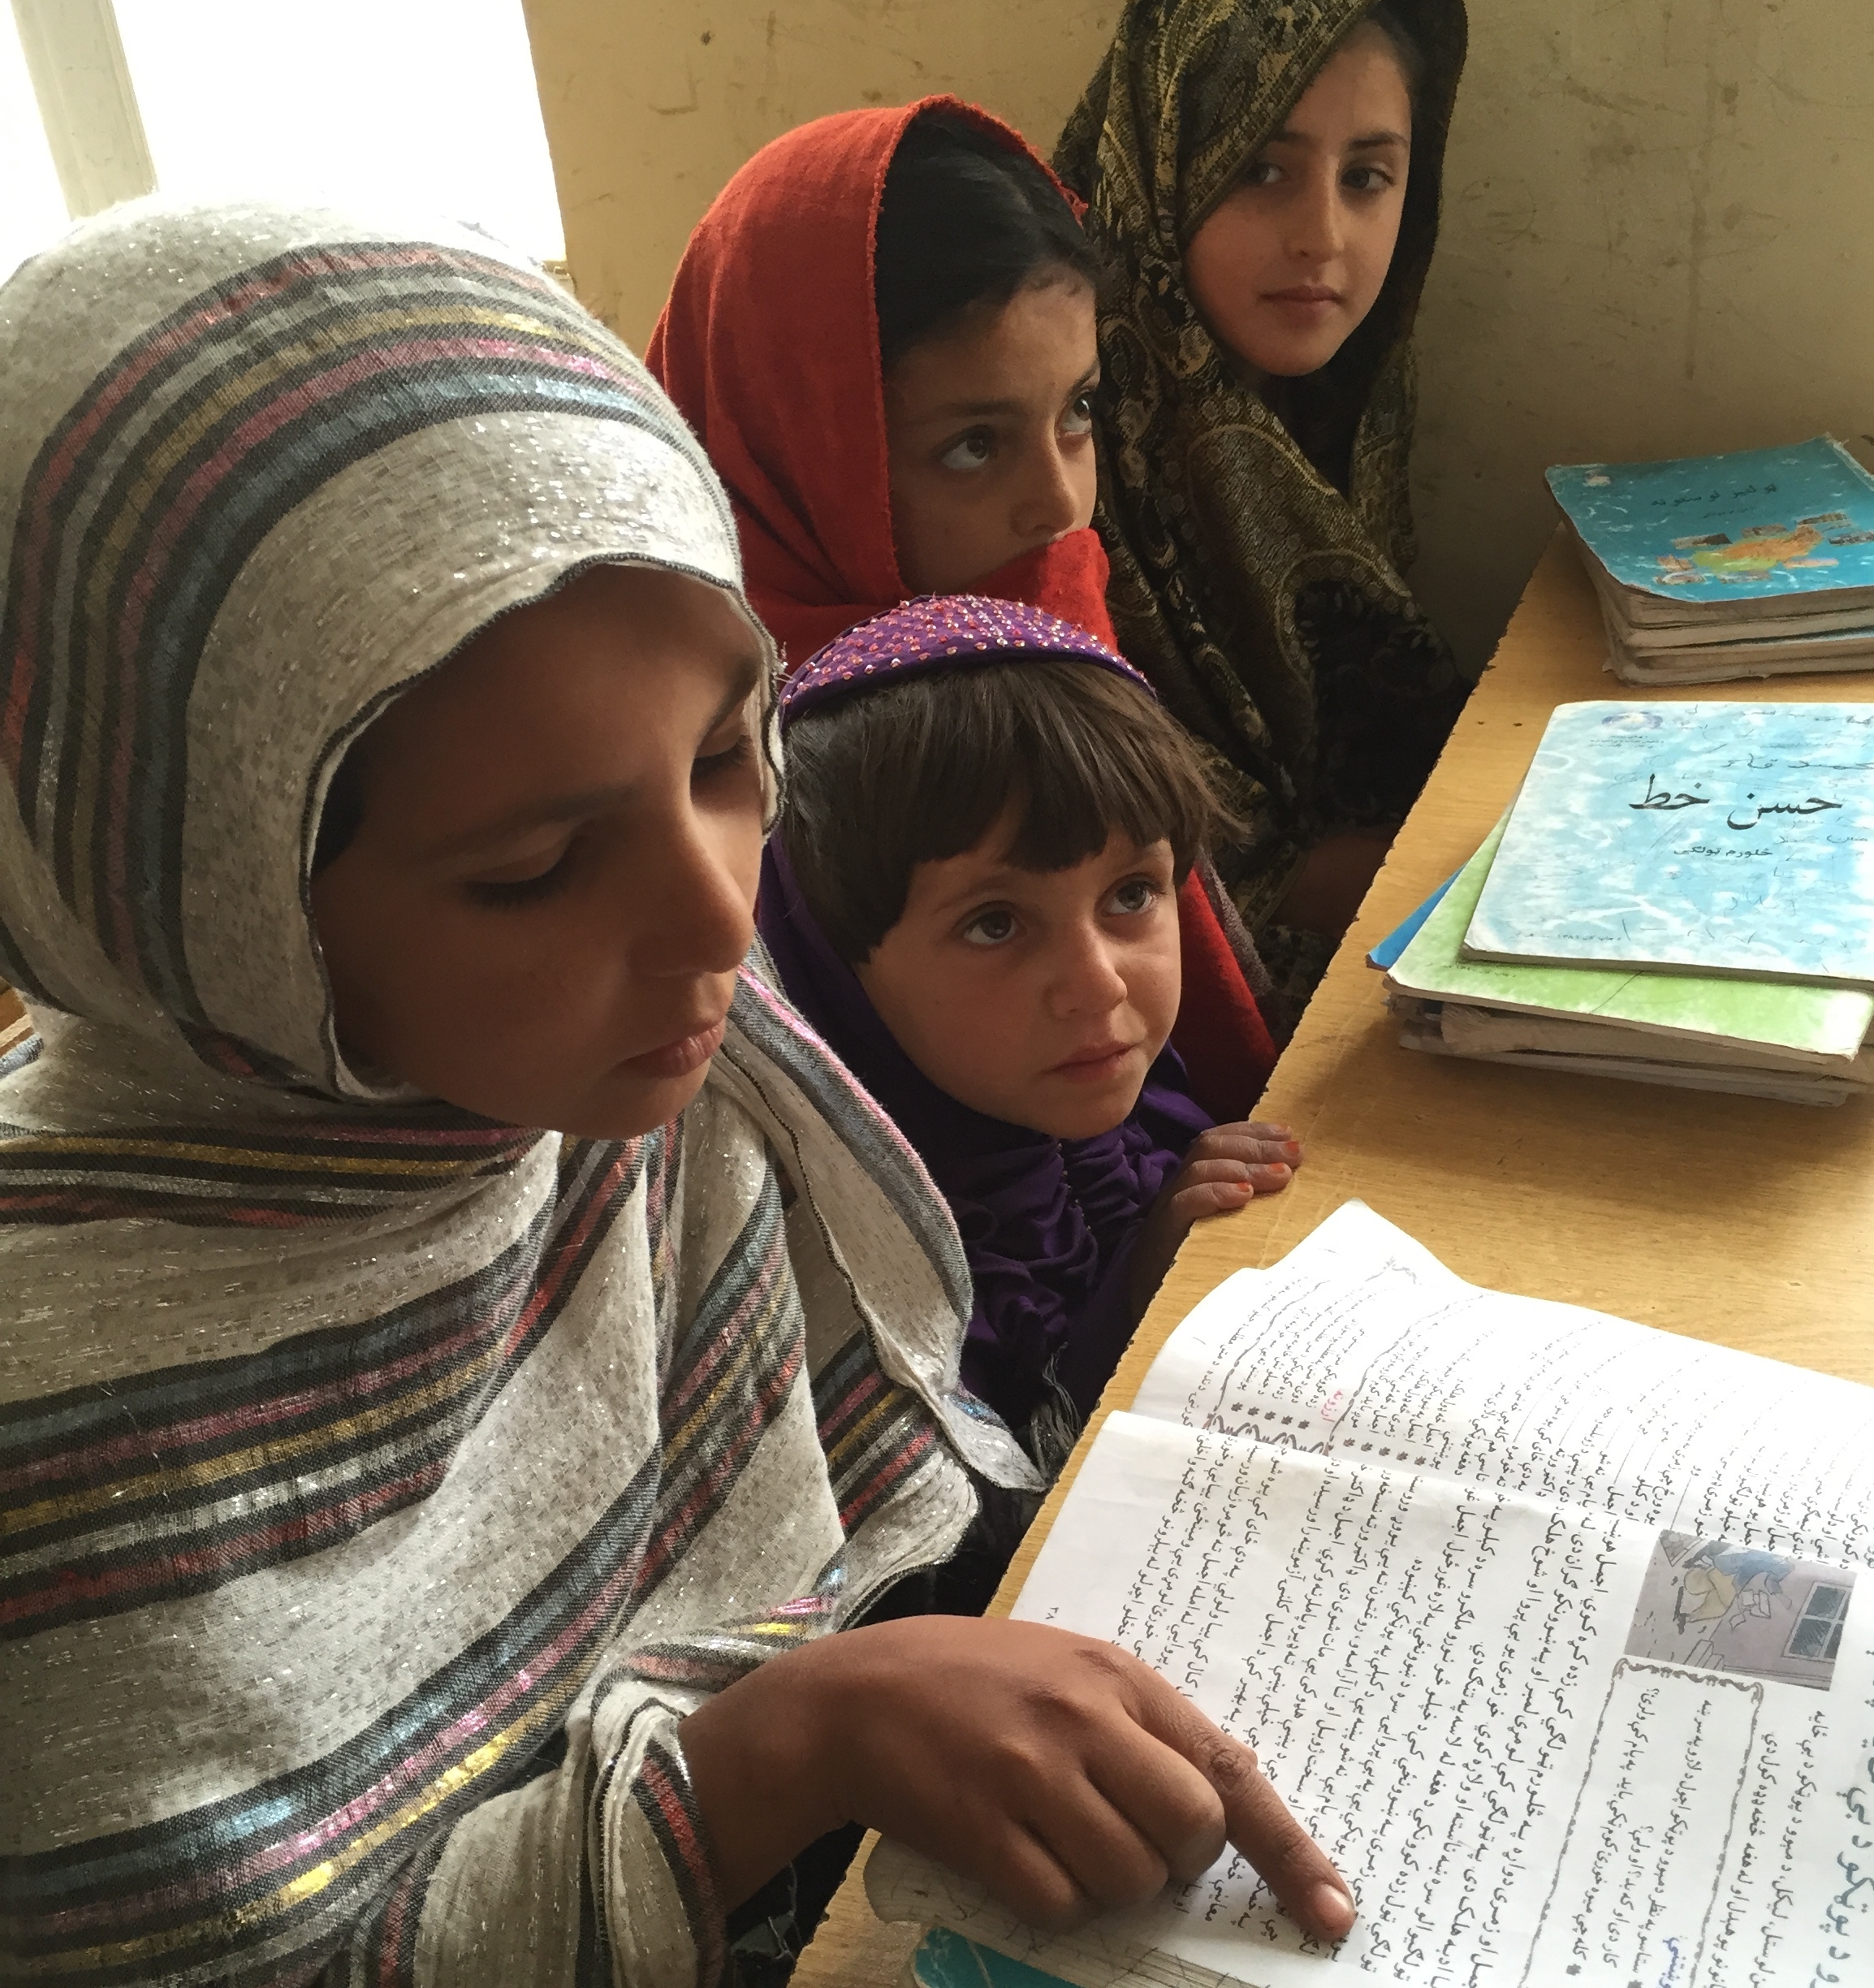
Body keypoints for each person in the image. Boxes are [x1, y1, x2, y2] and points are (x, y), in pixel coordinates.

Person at [0, 201, 1358, 1983]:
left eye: (730, 752)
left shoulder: (594, 1087)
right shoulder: (62, 1416)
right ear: (205, 901)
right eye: (535, 868)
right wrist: (778, 1755)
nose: (726, 919)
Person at [653, 97, 1279, 1122]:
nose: (1062, 502)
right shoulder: (698, 747)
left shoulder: (1029, 586)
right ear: (802, 442)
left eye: (1076, 411)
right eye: (974, 444)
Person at [761, 595, 1304, 1472]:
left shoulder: (1132, 1097)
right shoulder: (852, 1285)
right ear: (836, 969)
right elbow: (997, 1516)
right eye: (995, 924)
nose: (1098, 985)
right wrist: (1138, 1287)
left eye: (1131, 894)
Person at [1056, 0, 1473, 1005]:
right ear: (1163, 166)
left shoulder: (1344, 399)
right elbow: (1202, 872)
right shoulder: (1064, 431)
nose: (1322, 236)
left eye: (1367, 177)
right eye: (1261, 169)